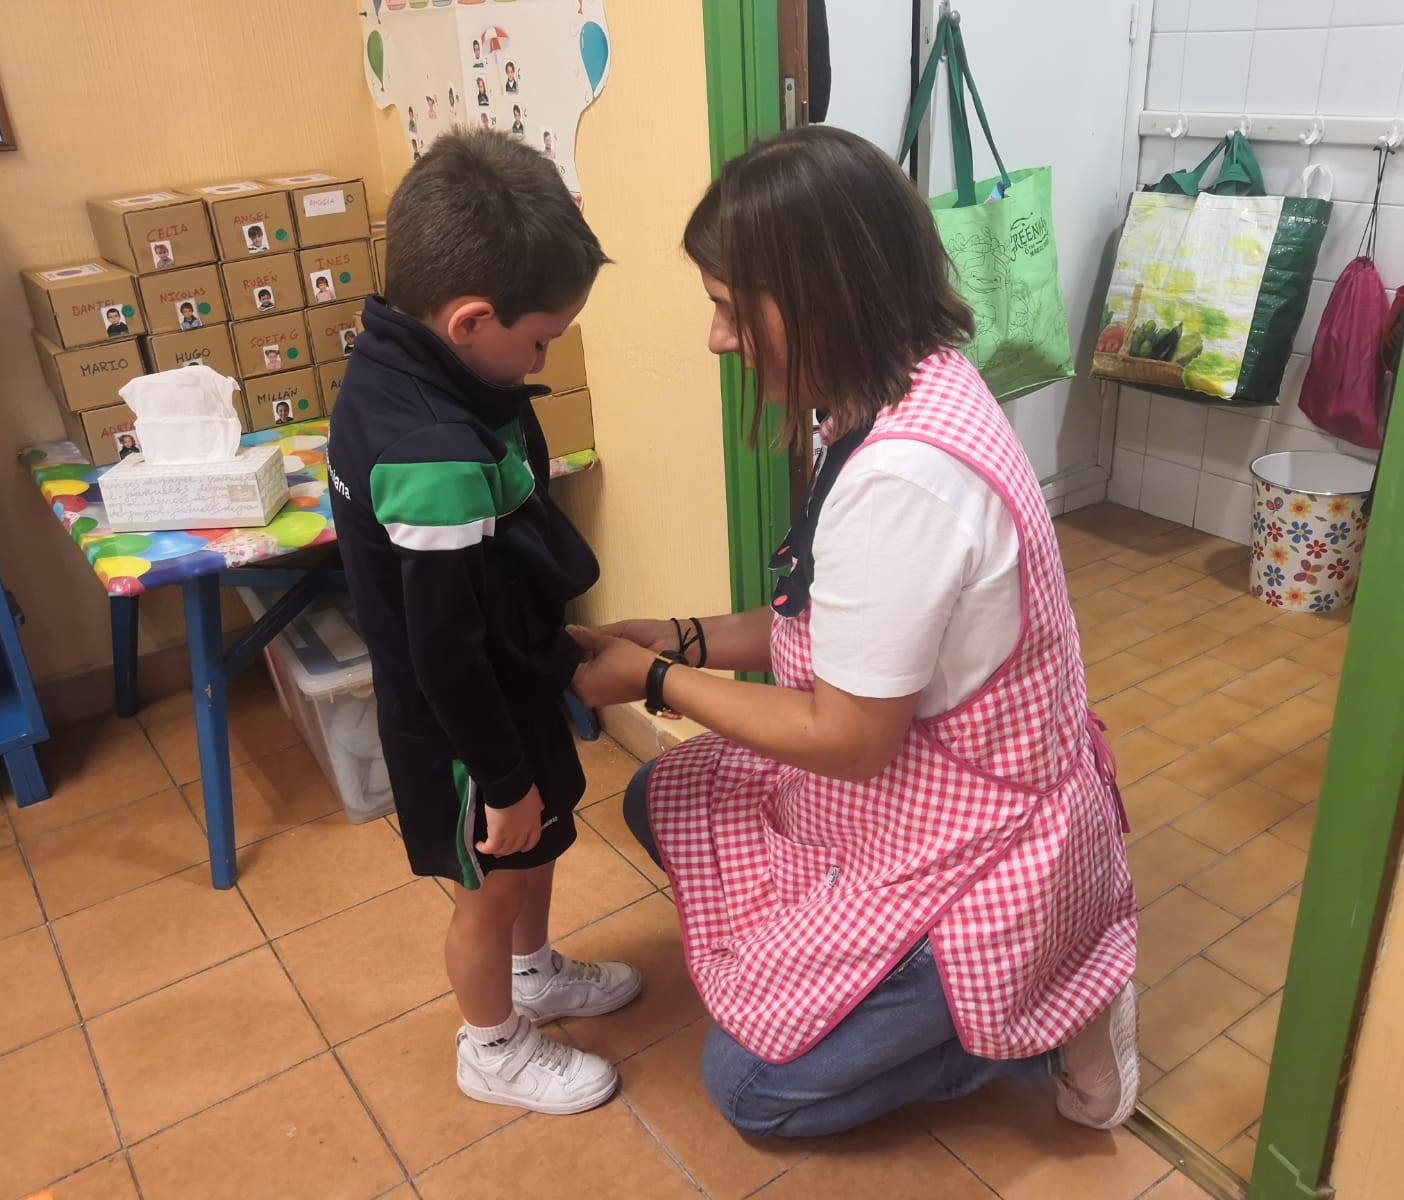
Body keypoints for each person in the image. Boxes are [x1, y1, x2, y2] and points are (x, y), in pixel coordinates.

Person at [569, 125, 1139, 1141]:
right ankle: (887, 972)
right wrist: (680, 636)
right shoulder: (888, 395)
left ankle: (1045, 1011)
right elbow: (822, 619)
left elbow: (850, 735)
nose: (716, 340)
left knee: (752, 1092)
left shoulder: (906, 481)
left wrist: (654, 682)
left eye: (731, 312)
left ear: (825, 299)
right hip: (907, 791)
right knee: (669, 791)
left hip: (977, 838)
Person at [326, 127, 633, 1117]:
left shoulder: (416, 365)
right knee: (492, 879)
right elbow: (442, 649)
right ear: (469, 319)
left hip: (511, 679)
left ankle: (533, 974)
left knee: (537, 846)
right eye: (541, 340)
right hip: (466, 720)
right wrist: (500, 782)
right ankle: (491, 1044)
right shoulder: (431, 447)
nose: (544, 357)